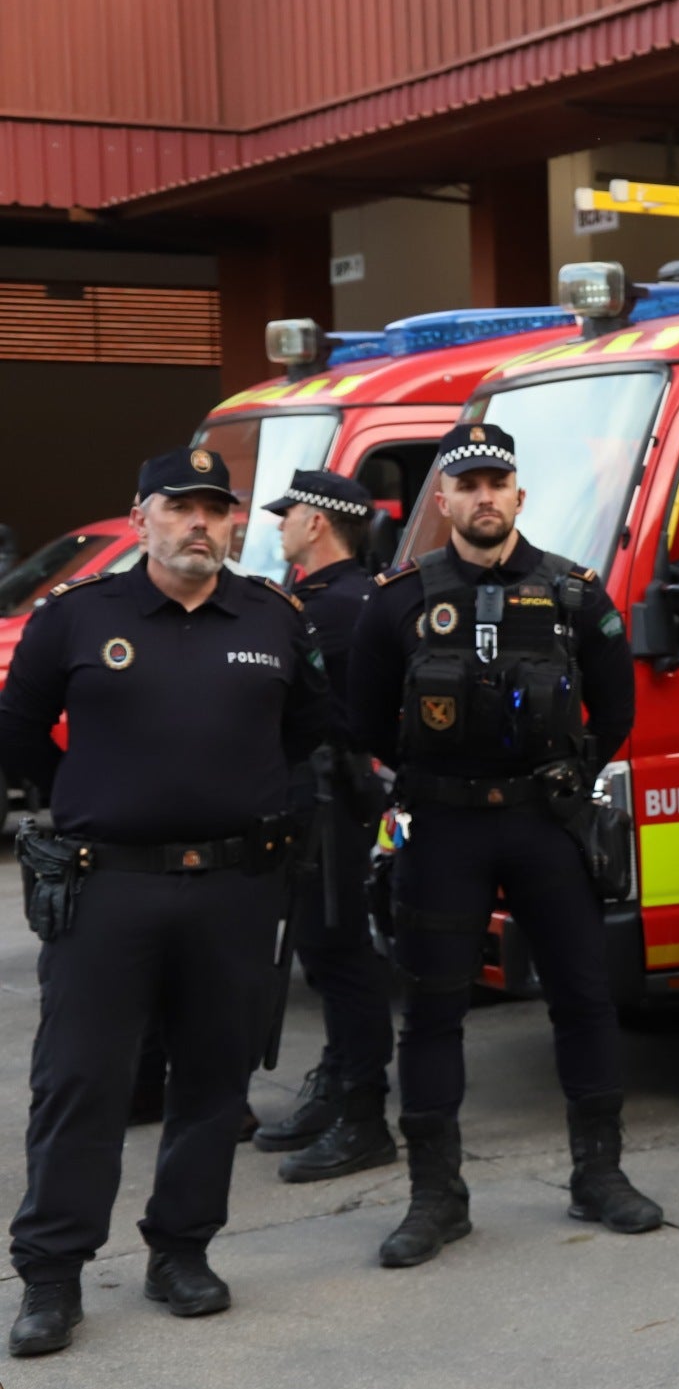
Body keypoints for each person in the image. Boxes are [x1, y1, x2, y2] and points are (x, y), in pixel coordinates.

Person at [0, 447, 329, 1355]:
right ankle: (53, 1276)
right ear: (140, 516)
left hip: (233, 887)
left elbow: (306, 730)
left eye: (214, 509)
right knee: (80, 1082)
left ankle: (182, 1251)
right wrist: (88, 796)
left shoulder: (272, 617)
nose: (198, 523)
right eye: (179, 507)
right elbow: (18, 729)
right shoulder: (77, 618)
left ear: (231, 523)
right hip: (108, 887)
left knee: (216, 1081)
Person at [349, 422, 661, 1268]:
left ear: (520, 495)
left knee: (584, 1001)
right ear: (442, 499)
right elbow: (367, 716)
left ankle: (600, 1176)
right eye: (467, 483)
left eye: (498, 482)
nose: (484, 497)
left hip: (543, 826)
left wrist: (567, 778)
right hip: (443, 829)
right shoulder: (399, 598)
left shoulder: (574, 594)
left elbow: (617, 711)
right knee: (434, 1013)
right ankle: (435, 1198)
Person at [250, 470, 397, 1182]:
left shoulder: (332, 606)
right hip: (312, 795)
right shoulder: (329, 599)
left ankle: (362, 1112)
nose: (279, 526)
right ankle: (339, 1084)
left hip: (328, 797)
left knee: (339, 954)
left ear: (319, 523)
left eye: (289, 515)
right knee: (326, 949)